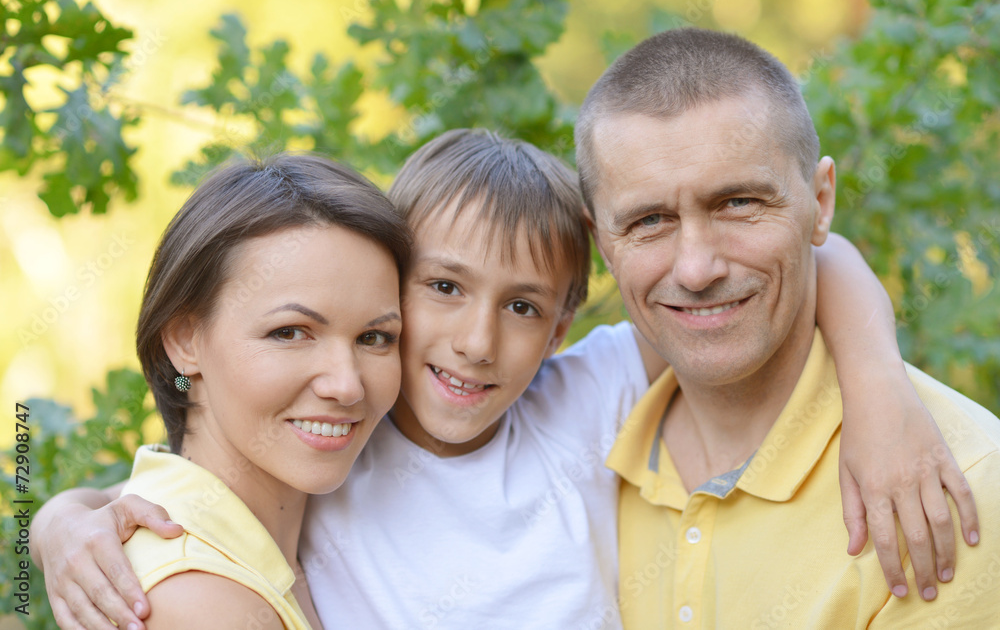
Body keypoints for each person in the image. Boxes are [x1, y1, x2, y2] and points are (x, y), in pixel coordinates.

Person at [33, 131, 976, 630]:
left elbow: (822, 258)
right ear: (393, 291)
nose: (477, 342)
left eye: (524, 307)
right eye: (441, 290)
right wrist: (66, 518)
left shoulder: (577, 395)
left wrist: (880, 399)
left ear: (565, 322)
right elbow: (196, 508)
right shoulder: (341, 445)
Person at [575, 27, 1000, 627]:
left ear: (819, 201)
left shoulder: (952, 491)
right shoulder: (576, 447)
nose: (696, 269)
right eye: (649, 219)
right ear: (602, 243)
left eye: (738, 203)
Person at [55, 153, 411, 629]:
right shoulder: (196, 601)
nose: (347, 385)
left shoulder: (304, 520)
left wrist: (57, 518)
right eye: (289, 332)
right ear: (184, 339)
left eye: (374, 338)